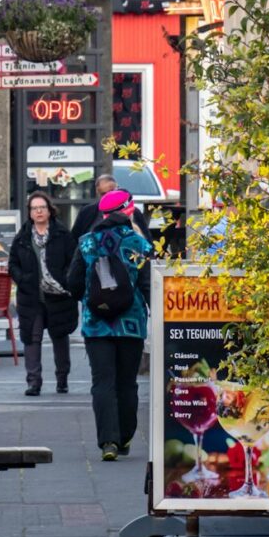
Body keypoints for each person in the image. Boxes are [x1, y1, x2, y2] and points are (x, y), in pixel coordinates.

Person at [67, 188, 151, 461]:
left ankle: (108, 442)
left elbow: (74, 282)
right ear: (128, 211)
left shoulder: (87, 243)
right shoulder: (139, 245)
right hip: (131, 325)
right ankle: (125, 436)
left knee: (102, 382)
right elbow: (148, 285)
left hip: (96, 324)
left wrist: (90, 299)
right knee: (127, 382)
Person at [8, 191, 78, 397]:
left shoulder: (62, 235)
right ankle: (33, 382)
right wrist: (23, 279)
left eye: (42, 207)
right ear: (29, 212)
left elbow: (73, 262)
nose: (38, 211)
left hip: (58, 295)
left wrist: (64, 281)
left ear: (49, 211)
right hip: (31, 297)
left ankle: (62, 378)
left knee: (60, 337)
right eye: (34, 208)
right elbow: (12, 264)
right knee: (32, 338)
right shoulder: (22, 237)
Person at [73, 174, 150, 242]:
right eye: (104, 194)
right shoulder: (87, 212)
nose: (108, 196)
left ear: (118, 188)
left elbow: (147, 241)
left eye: (111, 191)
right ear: (98, 194)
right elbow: (75, 239)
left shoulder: (134, 211)